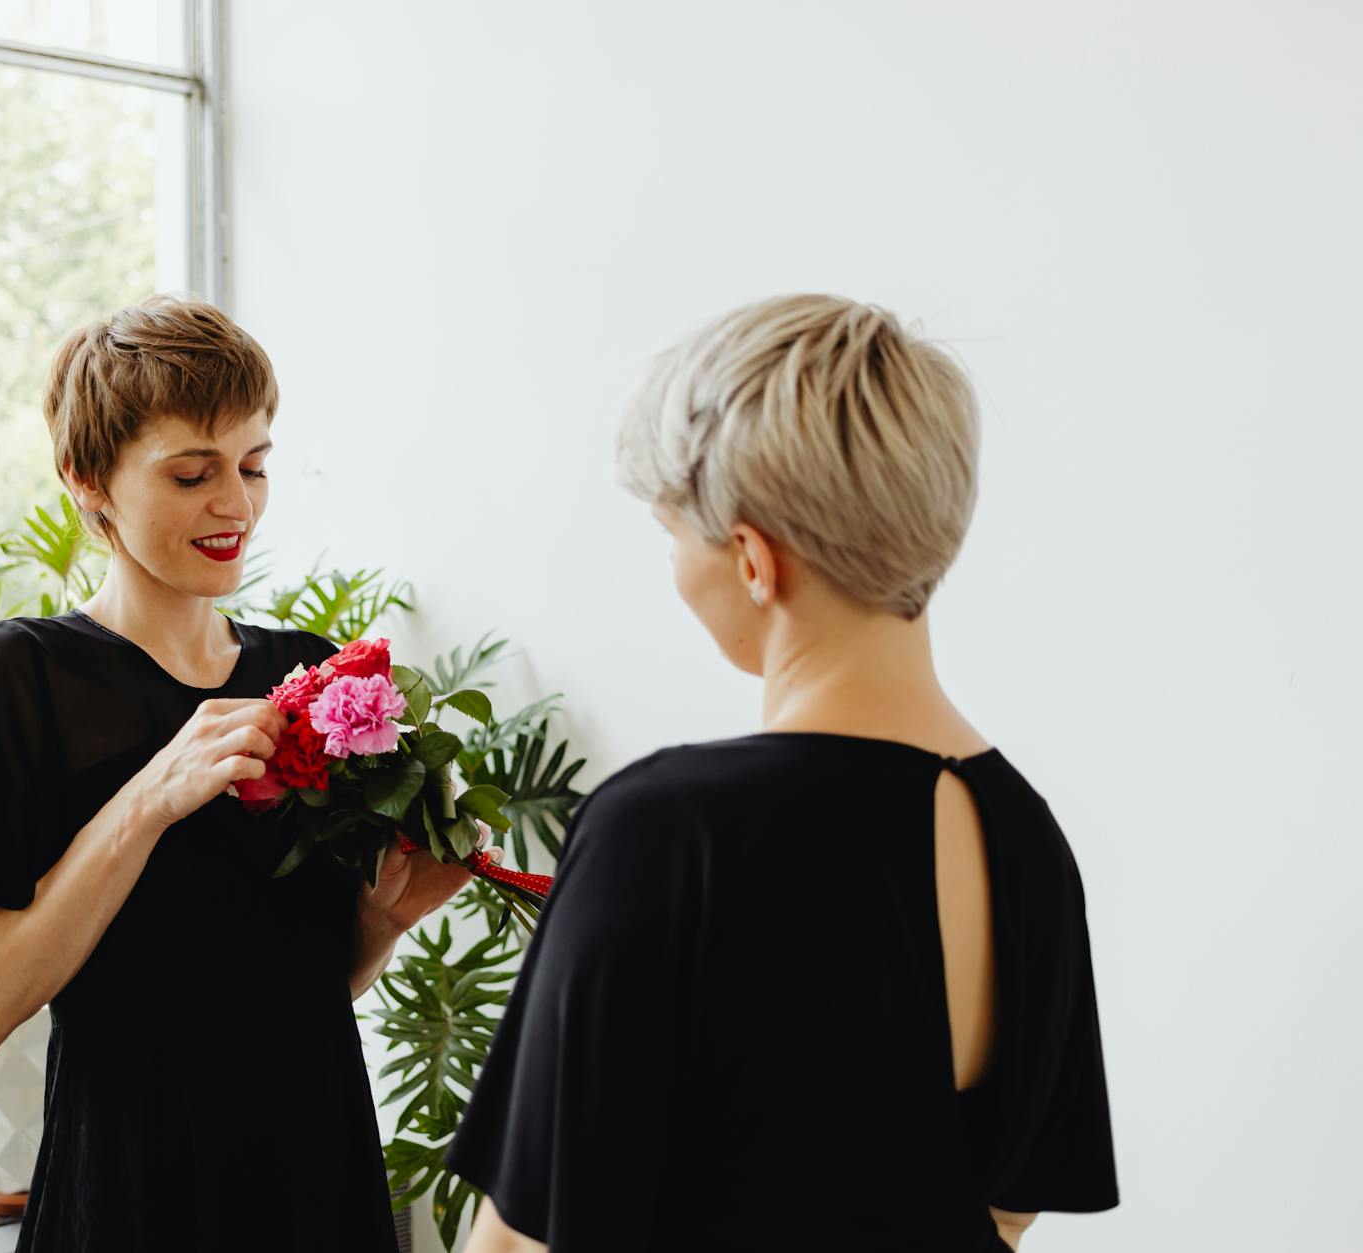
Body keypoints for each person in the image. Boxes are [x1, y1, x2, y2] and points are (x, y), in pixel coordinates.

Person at [447, 295, 1119, 1251]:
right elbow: (1009, 1209)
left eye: (675, 535)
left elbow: (519, 1239)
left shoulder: (668, 833)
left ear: (754, 559)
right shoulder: (1028, 841)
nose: (675, 569)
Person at [0, 295, 469, 1252]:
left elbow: (302, 991)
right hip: (130, 1191)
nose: (236, 504)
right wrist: (150, 799)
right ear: (89, 482)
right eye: (193, 473)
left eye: (254, 465)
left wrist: (382, 919)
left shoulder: (306, 674)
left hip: (317, 1179)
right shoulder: (22, 676)